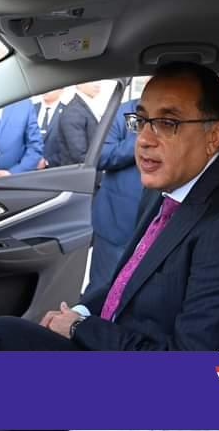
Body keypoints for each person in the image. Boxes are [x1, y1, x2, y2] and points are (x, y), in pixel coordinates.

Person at [0, 62, 219, 351]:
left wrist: (80, 328)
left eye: (167, 123)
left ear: (214, 137)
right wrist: (80, 312)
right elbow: (126, 284)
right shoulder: (168, 189)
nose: (143, 139)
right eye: (141, 121)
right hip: (116, 342)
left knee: (1, 335)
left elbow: (190, 364)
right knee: (3, 331)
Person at [87, 97, 143, 293]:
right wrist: (143, 140)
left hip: (162, 224)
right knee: (101, 291)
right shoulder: (125, 111)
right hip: (117, 224)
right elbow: (100, 155)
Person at [50, 82, 101, 167]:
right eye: (92, 80)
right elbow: (80, 155)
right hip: (83, 172)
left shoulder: (87, 106)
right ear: (79, 84)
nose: (98, 84)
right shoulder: (73, 112)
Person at [33, 88, 66, 169]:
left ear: (61, 90)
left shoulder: (67, 111)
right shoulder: (31, 109)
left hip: (53, 170)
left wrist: (47, 162)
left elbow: (68, 147)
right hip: (26, 169)